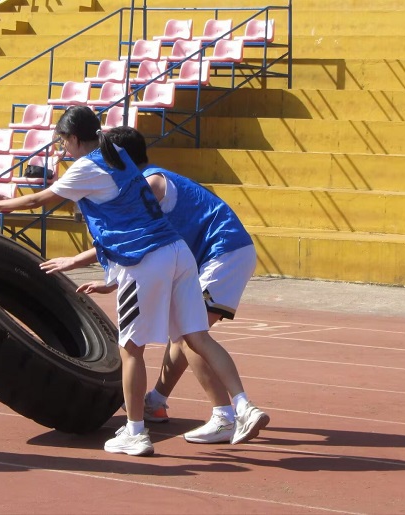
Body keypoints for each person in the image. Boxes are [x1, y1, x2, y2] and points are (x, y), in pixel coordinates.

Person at [0, 106, 269, 456]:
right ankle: (242, 406)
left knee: (130, 350)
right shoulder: (120, 158)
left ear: (73, 138)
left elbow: (40, 199)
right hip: (178, 253)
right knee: (196, 337)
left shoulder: (87, 167)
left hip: (147, 259)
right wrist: (111, 279)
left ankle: (136, 431)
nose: (62, 149)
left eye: (63, 142)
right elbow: (120, 217)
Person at [40, 126, 257, 444]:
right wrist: (113, 281)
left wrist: (76, 261)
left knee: (190, 335)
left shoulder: (149, 184)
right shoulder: (146, 181)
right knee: (185, 334)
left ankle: (227, 413)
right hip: (213, 253)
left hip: (222, 252)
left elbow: (138, 239)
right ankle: (157, 401)